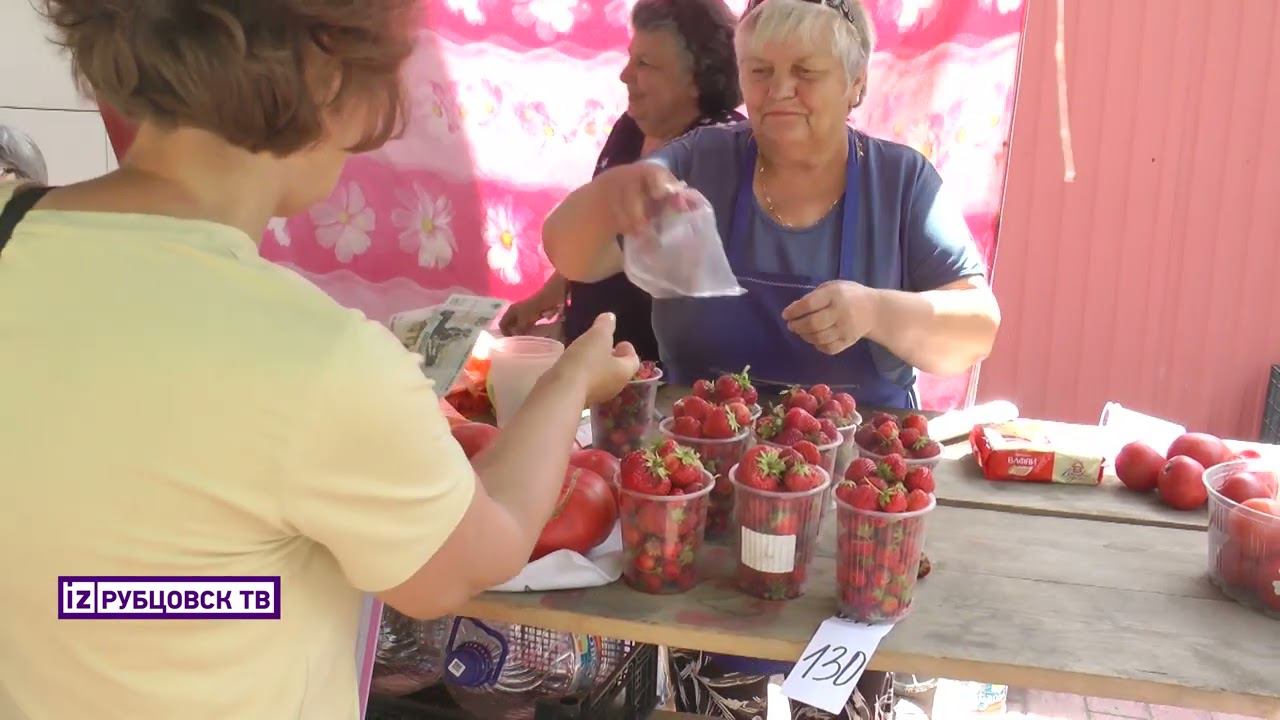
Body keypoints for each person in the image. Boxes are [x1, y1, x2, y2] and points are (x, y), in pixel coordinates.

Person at [0, 2, 637, 718]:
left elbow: (110, 589)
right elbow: (470, 560)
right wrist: (569, 381)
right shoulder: (316, 358)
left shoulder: (11, 234)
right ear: (330, 70)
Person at [542, 0, 1002, 717]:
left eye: (805, 72)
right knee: (717, 693)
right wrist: (611, 196)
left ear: (856, 84)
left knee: (856, 701)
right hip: (705, 509)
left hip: (862, 518)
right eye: (761, 71)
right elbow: (572, 253)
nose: (779, 90)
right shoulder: (699, 163)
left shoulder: (902, 184)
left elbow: (977, 326)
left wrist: (877, 311)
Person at [499, 0, 744, 363]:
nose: (625, 75)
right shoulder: (633, 127)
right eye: (631, 57)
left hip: (659, 376)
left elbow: (613, 249)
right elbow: (596, 238)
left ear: (697, 78)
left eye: (644, 64)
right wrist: (547, 297)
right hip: (597, 359)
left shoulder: (717, 147)